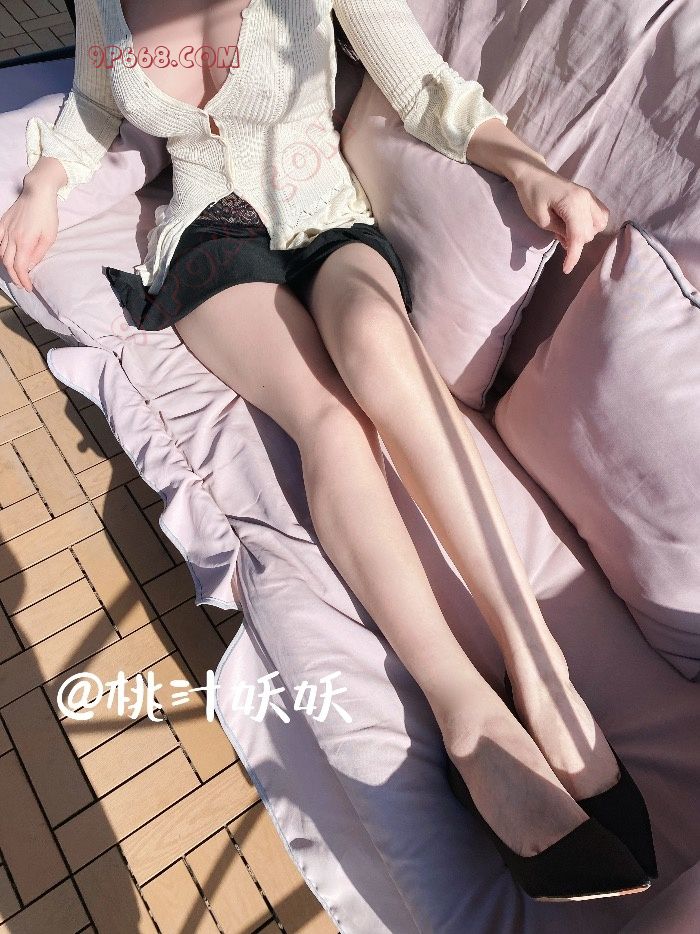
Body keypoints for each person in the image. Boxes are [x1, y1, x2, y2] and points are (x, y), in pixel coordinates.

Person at [0, 0, 656, 902]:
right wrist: (43, 184)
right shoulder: (108, 8)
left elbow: (425, 87)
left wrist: (528, 168)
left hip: (328, 218)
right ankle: (468, 717)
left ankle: (539, 664)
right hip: (206, 245)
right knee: (329, 422)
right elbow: (92, 104)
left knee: (385, 358)